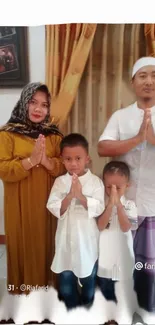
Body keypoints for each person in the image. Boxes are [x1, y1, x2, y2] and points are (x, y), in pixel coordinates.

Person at [98, 56, 155, 313]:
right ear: (133, 81)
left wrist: (151, 139)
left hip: (153, 204)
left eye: (154, 75)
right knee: (120, 261)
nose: (149, 81)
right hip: (123, 203)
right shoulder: (121, 116)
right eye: (142, 76)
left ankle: (146, 309)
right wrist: (136, 139)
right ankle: (118, 308)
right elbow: (102, 147)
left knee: (149, 264)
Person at [0, 82, 64, 295]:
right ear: (23, 103)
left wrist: (46, 161)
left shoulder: (54, 135)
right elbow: (2, 168)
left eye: (44, 105)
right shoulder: (7, 134)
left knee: (48, 247)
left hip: (48, 206)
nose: (38, 109)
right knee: (22, 247)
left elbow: (65, 167)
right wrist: (30, 161)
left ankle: (48, 298)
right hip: (18, 205)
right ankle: (23, 300)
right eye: (33, 102)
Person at [47, 133, 105, 310]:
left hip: (87, 242)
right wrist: (70, 195)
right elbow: (54, 207)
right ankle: (71, 307)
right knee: (66, 278)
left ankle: (87, 303)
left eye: (78, 158)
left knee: (88, 276)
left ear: (87, 159)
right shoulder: (59, 182)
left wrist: (79, 196)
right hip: (65, 240)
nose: (73, 163)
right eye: (68, 159)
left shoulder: (95, 182)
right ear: (62, 160)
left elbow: (99, 208)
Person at [97, 161, 137, 324]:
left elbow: (126, 226)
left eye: (118, 188)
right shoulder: (101, 204)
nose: (113, 191)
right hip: (106, 257)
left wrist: (118, 205)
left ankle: (123, 317)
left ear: (127, 185)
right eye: (109, 187)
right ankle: (109, 318)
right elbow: (100, 225)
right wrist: (109, 206)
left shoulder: (130, 205)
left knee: (122, 290)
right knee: (106, 288)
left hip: (123, 258)